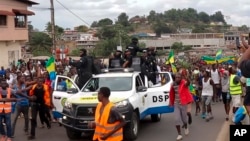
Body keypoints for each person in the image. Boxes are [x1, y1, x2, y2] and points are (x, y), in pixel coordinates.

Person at [169, 73, 193, 141]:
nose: (177, 78)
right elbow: (171, 94)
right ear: (175, 78)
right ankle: (179, 134)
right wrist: (170, 102)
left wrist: (187, 78)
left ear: (181, 78)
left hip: (183, 104)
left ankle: (186, 127)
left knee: (184, 120)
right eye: (176, 77)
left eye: (179, 77)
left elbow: (188, 83)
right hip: (176, 104)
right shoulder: (173, 84)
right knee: (176, 119)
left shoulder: (183, 83)